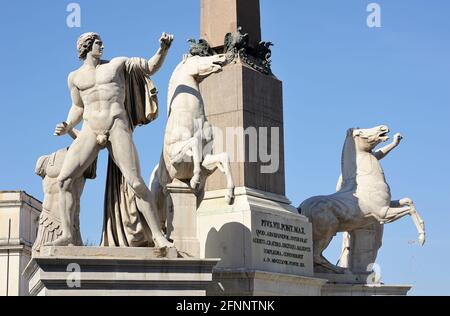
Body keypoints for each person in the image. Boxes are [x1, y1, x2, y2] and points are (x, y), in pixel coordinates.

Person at [51, 32, 174, 248]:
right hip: (90, 128)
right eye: (98, 43)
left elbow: (150, 67)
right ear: (87, 47)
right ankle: (68, 234)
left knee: (135, 182)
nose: (102, 46)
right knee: (64, 180)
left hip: (116, 123)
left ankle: (157, 235)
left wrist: (163, 49)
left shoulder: (117, 64)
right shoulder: (75, 77)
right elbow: (78, 107)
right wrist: (68, 125)